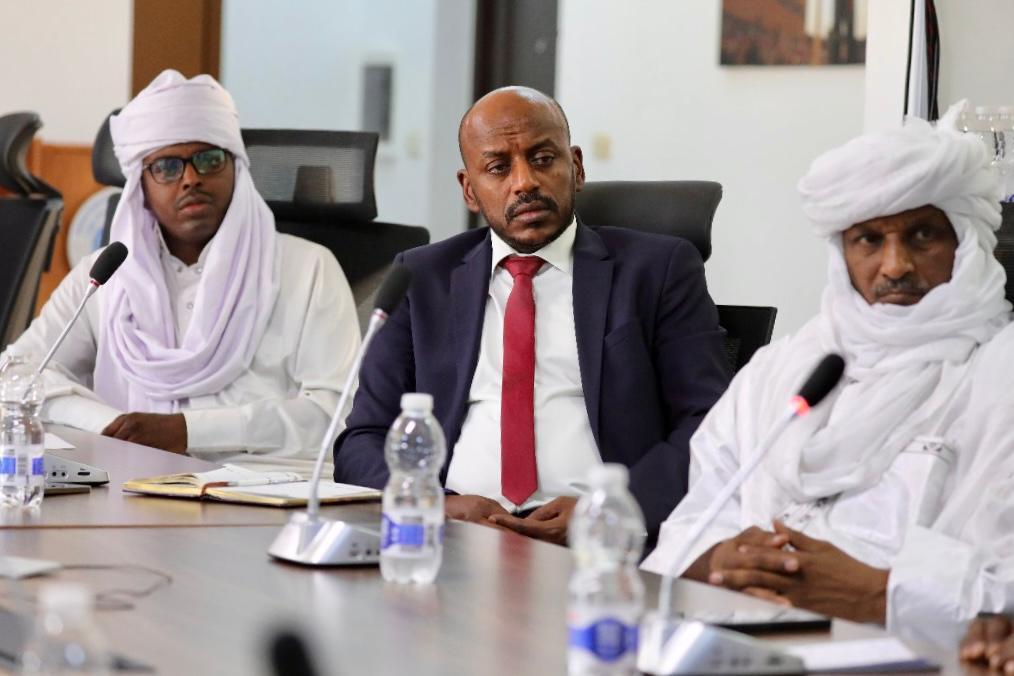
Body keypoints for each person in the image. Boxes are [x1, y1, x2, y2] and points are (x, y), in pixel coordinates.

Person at [641, 102, 1014, 646]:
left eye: (922, 236)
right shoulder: (784, 371)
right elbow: (691, 525)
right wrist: (720, 561)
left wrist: (877, 593)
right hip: (744, 640)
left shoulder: (999, 373)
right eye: (869, 240)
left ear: (966, 243)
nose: (895, 266)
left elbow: (1002, 589)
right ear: (841, 253)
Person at [333, 86, 730, 546]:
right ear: (469, 190)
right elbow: (363, 439)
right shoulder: (421, 277)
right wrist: (432, 504)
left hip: (600, 544)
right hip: (453, 538)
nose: (525, 182)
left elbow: (709, 423)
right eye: (498, 168)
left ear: (576, 167)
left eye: (542, 159)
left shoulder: (657, 269)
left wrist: (612, 509)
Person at [8, 70, 360, 473]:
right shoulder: (104, 276)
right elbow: (15, 377)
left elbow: (337, 415)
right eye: (167, 167)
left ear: (236, 167)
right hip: (129, 483)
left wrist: (188, 431)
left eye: (209, 159)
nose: (191, 179)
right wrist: (110, 425)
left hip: (268, 489)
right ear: (140, 185)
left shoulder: (309, 268)